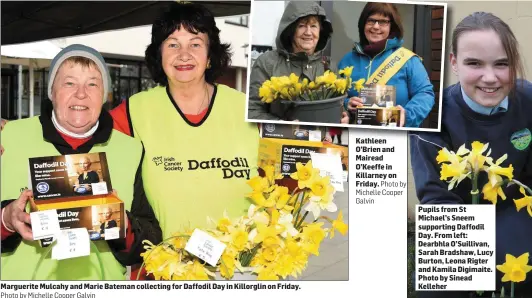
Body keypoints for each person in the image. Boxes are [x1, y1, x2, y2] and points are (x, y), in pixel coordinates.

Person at [0, 44, 162, 280]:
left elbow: (150, 241)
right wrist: (7, 219)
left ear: (104, 95)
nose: (81, 93)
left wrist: (123, 225)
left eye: (93, 84)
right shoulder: (8, 137)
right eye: (69, 82)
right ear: (51, 91)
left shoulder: (131, 149)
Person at [109, 2, 260, 239]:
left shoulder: (248, 109)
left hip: (245, 267)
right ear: (159, 55)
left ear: (210, 55)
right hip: (166, 268)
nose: (184, 55)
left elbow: (284, 175)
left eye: (195, 44)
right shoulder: (132, 112)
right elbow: (84, 155)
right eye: (172, 44)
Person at [410, 12, 532, 297]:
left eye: (502, 64)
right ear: (453, 63)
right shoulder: (431, 115)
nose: (490, 78)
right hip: (455, 219)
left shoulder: (528, 100)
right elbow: (436, 198)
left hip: (516, 211)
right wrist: (475, 258)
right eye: (474, 63)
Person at [247, 1, 348, 123]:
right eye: (301, 25)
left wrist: (343, 117)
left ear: (320, 32)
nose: (308, 32)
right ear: (290, 30)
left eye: (314, 26)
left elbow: (337, 106)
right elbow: (252, 110)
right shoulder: (267, 63)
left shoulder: (329, 66)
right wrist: (282, 125)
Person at [338, 2, 435, 128]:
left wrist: (407, 115)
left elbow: (425, 94)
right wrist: (346, 104)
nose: (376, 27)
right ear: (363, 24)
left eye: (383, 22)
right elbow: (334, 100)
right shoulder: (347, 60)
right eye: (371, 21)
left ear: (392, 26)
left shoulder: (408, 60)